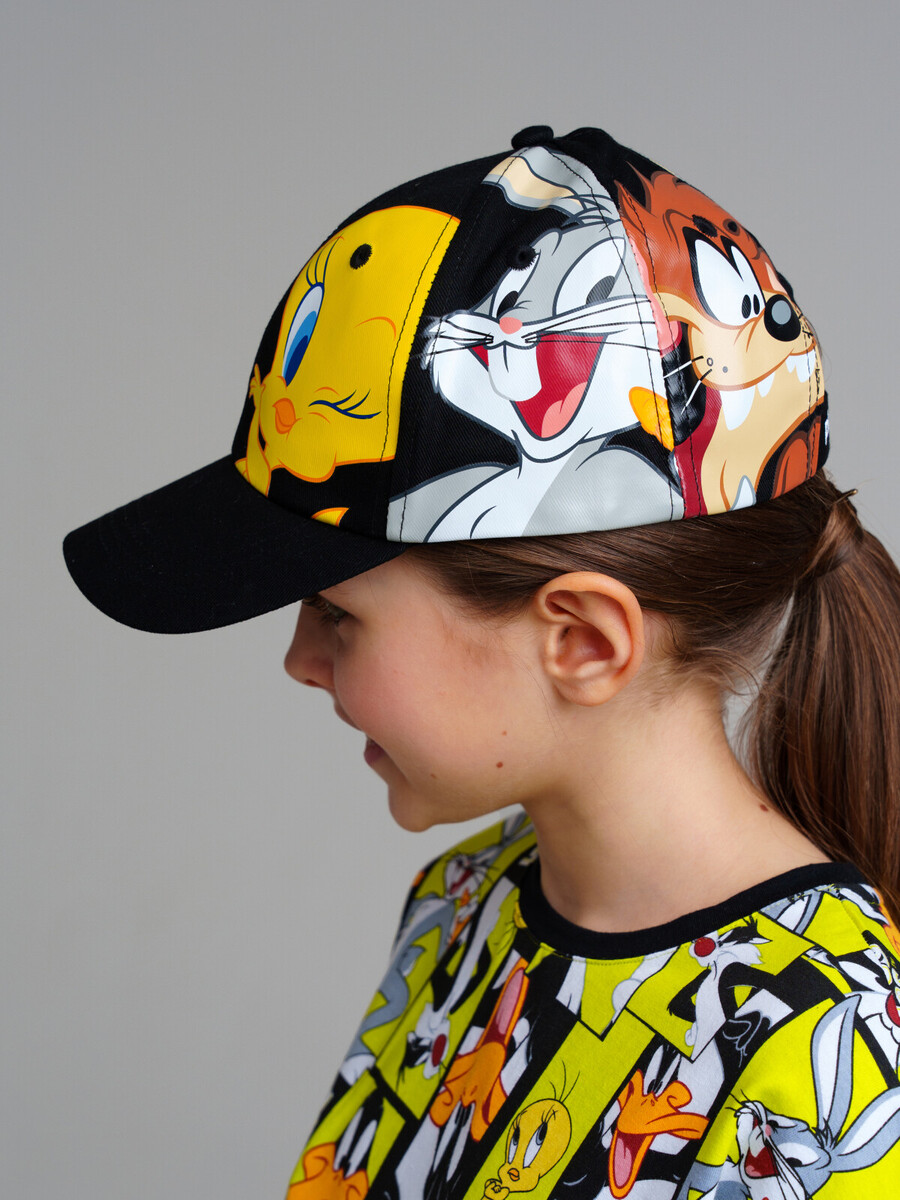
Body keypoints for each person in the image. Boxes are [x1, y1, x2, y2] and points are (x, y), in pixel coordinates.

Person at [64, 125, 900, 1197]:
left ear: (582, 641)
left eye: (335, 611)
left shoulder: (827, 1071)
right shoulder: (466, 902)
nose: (299, 660)